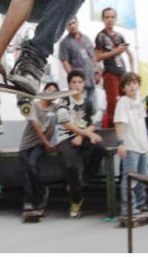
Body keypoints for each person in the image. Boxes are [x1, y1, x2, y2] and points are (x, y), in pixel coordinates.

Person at [55, 70, 106, 218]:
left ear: (84, 85)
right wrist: (84, 134)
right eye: (73, 82)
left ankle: (83, 180)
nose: (77, 85)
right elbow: (66, 124)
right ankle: (76, 200)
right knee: (70, 166)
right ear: (69, 84)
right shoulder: (64, 100)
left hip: (82, 135)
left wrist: (82, 135)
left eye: (79, 82)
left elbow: (92, 124)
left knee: (100, 149)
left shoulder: (88, 102)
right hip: (65, 138)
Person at [114, 72, 148, 216]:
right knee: (130, 178)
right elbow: (118, 123)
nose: (132, 86)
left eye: (134, 83)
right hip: (130, 145)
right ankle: (128, 208)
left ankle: (140, 205)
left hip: (142, 145)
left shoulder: (139, 99)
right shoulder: (123, 102)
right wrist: (121, 143)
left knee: (143, 177)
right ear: (123, 88)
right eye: (128, 84)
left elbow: (142, 121)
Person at [19, 82, 58, 212]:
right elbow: (36, 127)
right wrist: (46, 142)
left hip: (39, 144)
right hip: (27, 143)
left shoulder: (54, 108)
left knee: (31, 164)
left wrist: (47, 142)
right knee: (27, 172)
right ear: (43, 90)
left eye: (54, 91)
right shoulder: (32, 105)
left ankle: (36, 196)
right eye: (49, 89)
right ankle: (32, 199)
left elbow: (51, 127)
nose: (51, 92)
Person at [95, 8, 134, 128]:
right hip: (110, 73)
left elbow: (130, 54)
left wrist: (132, 73)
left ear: (116, 18)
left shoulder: (120, 36)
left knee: (126, 101)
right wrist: (115, 51)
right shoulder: (100, 36)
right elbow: (98, 57)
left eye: (112, 17)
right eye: (107, 17)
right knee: (112, 104)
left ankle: (126, 128)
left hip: (123, 73)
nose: (110, 20)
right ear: (103, 19)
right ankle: (112, 130)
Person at [59, 16, 101, 115]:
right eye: (69, 24)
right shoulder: (64, 43)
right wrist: (72, 79)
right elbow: (64, 62)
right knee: (80, 110)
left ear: (77, 22)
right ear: (66, 27)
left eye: (74, 23)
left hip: (91, 80)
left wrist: (97, 70)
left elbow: (93, 57)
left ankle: (90, 127)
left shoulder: (86, 38)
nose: (72, 26)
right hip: (79, 84)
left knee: (93, 109)